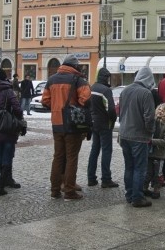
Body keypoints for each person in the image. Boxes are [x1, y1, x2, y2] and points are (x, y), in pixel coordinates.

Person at [42, 54, 91, 200]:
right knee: (71, 158)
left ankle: (55, 190)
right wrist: (74, 107)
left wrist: (57, 108)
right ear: (74, 66)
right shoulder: (78, 79)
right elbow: (86, 99)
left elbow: (45, 101)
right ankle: (69, 190)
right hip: (72, 124)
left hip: (56, 124)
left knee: (58, 157)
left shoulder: (51, 79)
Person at [118, 67, 157, 207]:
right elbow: (149, 117)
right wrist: (150, 132)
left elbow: (120, 112)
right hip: (139, 136)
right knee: (140, 168)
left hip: (124, 134)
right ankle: (137, 198)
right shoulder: (146, 93)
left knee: (129, 167)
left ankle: (129, 195)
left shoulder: (125, 90)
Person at [87, 67, 118, 189]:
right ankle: (106, 179)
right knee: (106, 150)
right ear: (106, 78)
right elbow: (110, 109)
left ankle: (91, 178)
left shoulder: (92, 88)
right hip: (105, 124)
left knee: (94, 150)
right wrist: (113, 119)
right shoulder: (106, 90)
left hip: (94, 123)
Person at [144, 103, 165, 200]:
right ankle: (144, 188)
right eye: (159, 109)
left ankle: (156, 190)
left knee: (157, 174)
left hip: (159, 155)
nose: (160, 111)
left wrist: (152, 141)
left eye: (163, 110)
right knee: (148, 172)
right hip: (149, 153)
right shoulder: (152, 123)